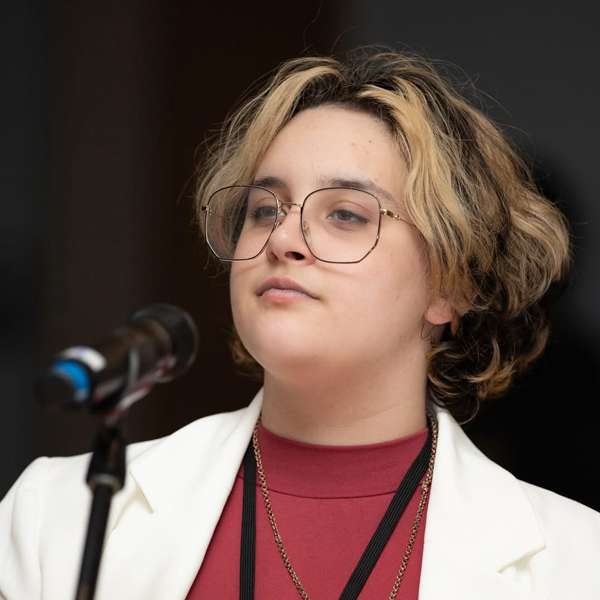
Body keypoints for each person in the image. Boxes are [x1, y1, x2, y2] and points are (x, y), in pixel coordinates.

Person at [1, 48, 599, 600]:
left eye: (346, 214)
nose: (282, 237)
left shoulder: (577, 563)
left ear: (451, 285)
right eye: (264, 209)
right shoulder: (55, 514)